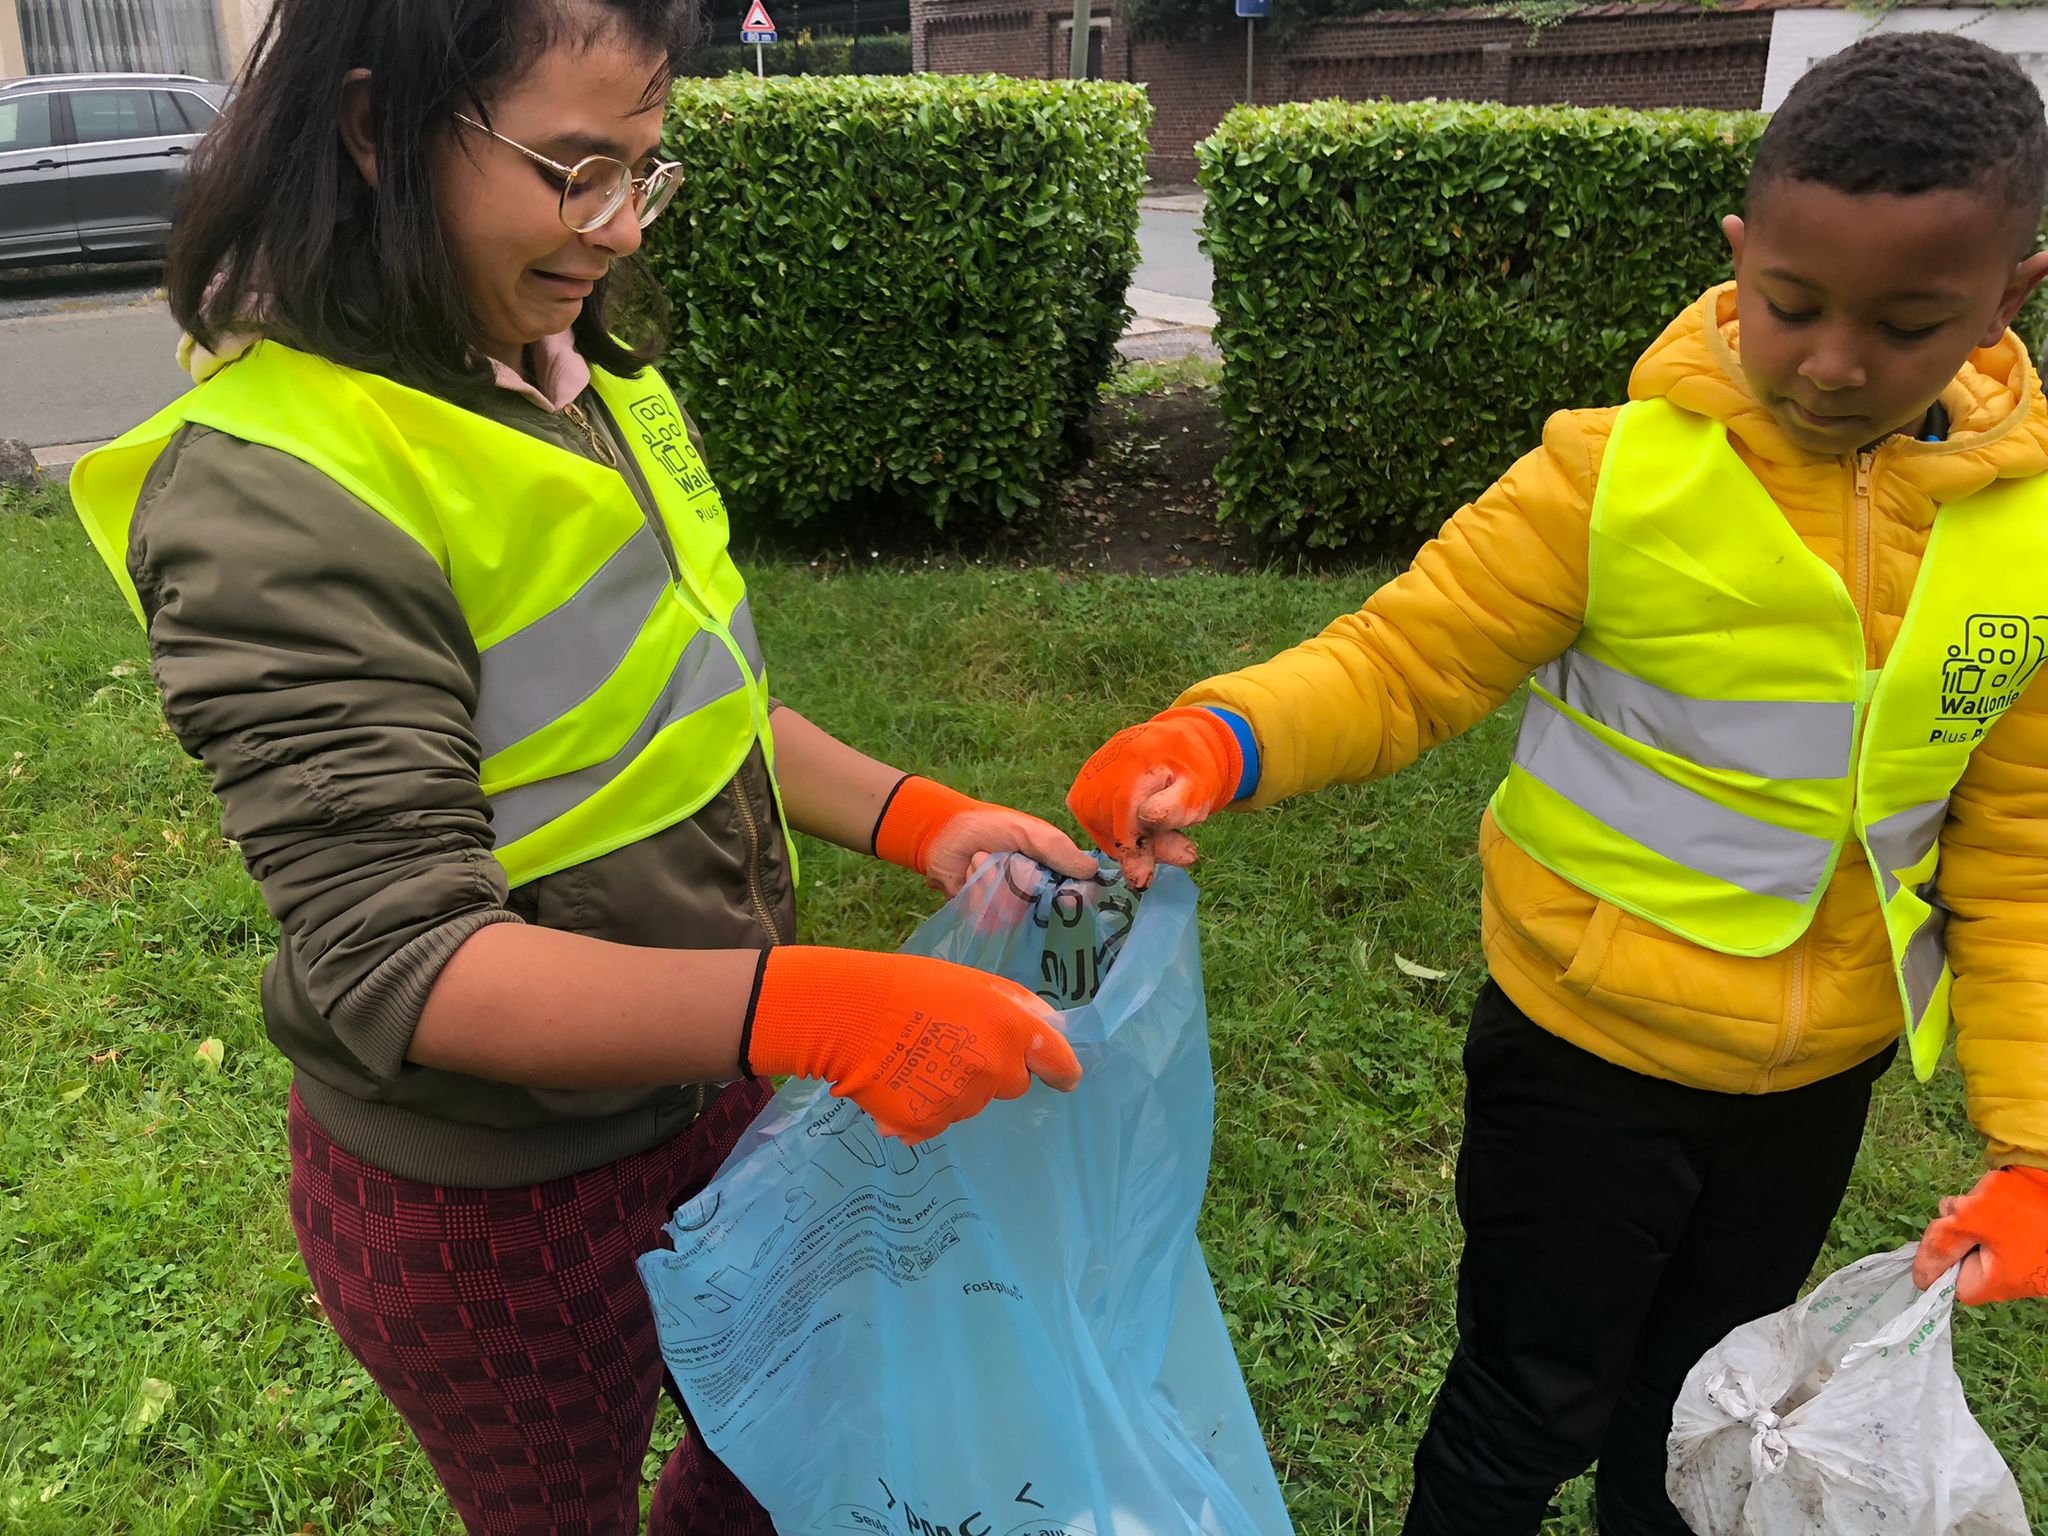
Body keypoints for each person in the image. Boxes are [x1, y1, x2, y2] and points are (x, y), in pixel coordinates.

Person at [68, 2, 1094, 1530]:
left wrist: (920, 819)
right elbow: (405, 965)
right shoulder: (276, 500)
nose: (614, 228)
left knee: (792, 1438)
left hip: (709, 1095)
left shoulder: (572, 377)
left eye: (643, 172)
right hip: (494, 1212)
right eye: (573, 169)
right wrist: (815, 1005)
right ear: (372, 132)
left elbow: (702, 705)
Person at [1067, 33, 2048, 1535]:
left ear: (2009, 300)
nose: (1836, 362)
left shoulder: (2026, 539)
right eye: (1791, 307)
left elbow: (2021, 859)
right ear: (1739, 255)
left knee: (1708, 1405)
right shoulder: (1611, 480)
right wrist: (1220, 740)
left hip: (1814, 1078)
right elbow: (1403, 661)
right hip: (1584, 1055)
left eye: (1910, 325)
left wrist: (2035, 1149)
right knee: (1530, 1396)